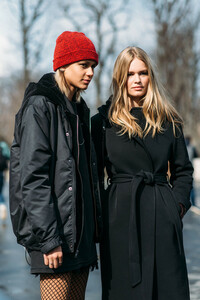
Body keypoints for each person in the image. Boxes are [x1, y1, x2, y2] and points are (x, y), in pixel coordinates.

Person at [91, 46, 193, 300]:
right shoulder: (103, 122)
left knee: (166, 289)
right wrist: (105, 210)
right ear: (120, 78)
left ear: (151, 77)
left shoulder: (169, 121)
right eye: (130, 73)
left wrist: (175, 206)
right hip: (120, 219)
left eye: (143, 73)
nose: (137, 80)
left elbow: (183, 171)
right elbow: (93, 175)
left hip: (162, 213)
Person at [9, 31, 102, 300]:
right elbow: (33, 178)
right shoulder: (40, 106)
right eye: (83, 65)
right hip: (54, 237)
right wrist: (49, 240)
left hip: (79, 237)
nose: (90, 73)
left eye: (93, 67)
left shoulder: (79, 109)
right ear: (63, 65)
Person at [185, 135, 198, 206]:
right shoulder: (192, 147)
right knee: (191, 186)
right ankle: (193, 203)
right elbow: (196, 155)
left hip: (184, 169)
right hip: (190, 169)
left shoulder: (183, 147)